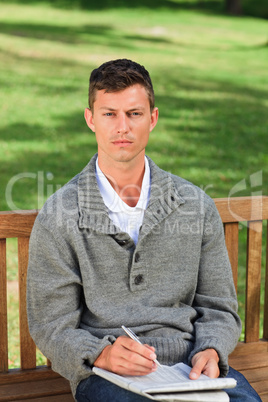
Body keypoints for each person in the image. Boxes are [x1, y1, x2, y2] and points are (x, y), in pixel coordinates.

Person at [27, 59, 261, 402]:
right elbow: (51, 324)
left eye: (134, 114)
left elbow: (219, 307)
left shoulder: (194, 205)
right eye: (109, 114)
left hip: (191, 366)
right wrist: (100, 354)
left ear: (152, 118)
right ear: (90, 119)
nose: (122, 127)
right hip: (107, 371)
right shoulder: (61, 214)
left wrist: (211, 349)